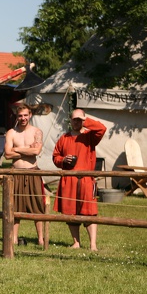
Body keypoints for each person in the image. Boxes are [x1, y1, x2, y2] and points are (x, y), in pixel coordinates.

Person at [52, 108, 107, 251]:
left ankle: (92, 245)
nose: (76, 122)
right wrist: (63, 160)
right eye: (74, 119)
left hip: (86, 180)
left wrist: (86, 121)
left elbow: (102, 128)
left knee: (90, 211)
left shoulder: (90, 136)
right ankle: (76, 242)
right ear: (70, 120)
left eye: (79, 119)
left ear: (83, 120)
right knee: (70, 212)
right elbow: (55, 157)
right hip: (69, 180)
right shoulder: (64, 138)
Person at [4, 104, 46, 246]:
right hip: (16, 173)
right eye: (20, 115)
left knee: (37, 205)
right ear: (17, 116)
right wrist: (28, 148)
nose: (23, 118)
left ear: (30, 115)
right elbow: (8, 155)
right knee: (14, 206)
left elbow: (36, 152)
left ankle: (40, 239)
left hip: (32, 172)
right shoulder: (11, 133)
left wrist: (17, 148)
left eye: (25, 115)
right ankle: (14, 238)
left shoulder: (37, 132)